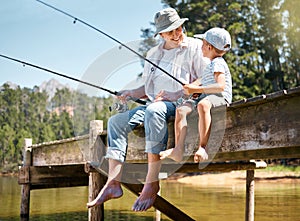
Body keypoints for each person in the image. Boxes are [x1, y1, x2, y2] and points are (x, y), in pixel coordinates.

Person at [86, 8, 206, 211]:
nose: (177, 34)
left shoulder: (195, 46)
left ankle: (152, 182)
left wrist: (177, 95)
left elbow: (207, 79)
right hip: (154, 105)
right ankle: (113, 183)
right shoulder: (153, 54)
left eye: (178, 28)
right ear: (160, 34)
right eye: (170, 32)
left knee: (155, 110)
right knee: (116, 121)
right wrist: (130, 92)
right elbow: (147, 88)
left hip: (182, 104)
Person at [160, 27, 232, 163]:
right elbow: (201, 81)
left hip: (219, 96)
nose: (201, 47)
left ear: (209, 47)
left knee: (203, 105)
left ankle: (202, 147)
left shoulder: (218, 63)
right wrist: (191, 87)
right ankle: (178, 149)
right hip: (205, 96)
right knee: (181, 109)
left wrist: (196, 90)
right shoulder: (210, 65)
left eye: (203, 44)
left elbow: (220, 86)